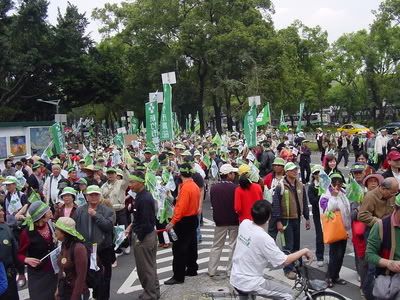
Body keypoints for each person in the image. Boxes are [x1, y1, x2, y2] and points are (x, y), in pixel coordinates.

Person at [230, 200, 313, 300]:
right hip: (250, 282)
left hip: (235, 277)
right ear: (269, 217)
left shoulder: (244, 224)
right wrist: (304, 251)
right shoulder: (264, 238)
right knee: (289, 294)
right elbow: (284, 261)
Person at [358, 177, 398, 299]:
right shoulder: (371, 196)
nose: (394, 195)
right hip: (373, 230)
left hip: (390, 229)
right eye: (392, 192)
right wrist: (380, 222)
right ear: (383, 189)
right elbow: (362, 215)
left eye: (396, 193)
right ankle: (368, 291)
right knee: (372, 265)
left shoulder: (391, 196)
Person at [73, 185, 114, 300]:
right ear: (86, 197)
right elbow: (74, 229)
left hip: (103, 249)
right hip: (86, 250)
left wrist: (96, 215)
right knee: (88, 278)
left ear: (100, 196)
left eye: (96, 194)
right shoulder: (79, 210)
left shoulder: (107, 210)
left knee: (104, 279)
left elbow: (108, 227)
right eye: (91, 195)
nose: (94, 197)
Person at [271, 162, 310, 280]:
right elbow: (276, 205)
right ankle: (287, 269)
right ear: (286, 172)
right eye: (292, 170)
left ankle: (295, 264)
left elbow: (304, 202)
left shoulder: (300, 185)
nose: (295, 171)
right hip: (286, 220)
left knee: (296, 244)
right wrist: (278, 221)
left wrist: (307, 218)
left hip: (297, 219)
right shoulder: (280, 186)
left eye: (296, 169)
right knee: (288, 245)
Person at [125, 171, 160, 300]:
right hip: (147, 234)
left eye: (132, 182)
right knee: (150, 266)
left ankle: (150, 294)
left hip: (145, 237)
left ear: (140, 182)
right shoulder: (141, 195)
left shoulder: (144, 198)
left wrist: (139, 237)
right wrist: (131, 226)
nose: (130, 185)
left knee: (145, 268)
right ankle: (154, 292)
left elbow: (145, 222)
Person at [164, 163, 201, 285]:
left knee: (179, 249)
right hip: (193, 218)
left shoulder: (185, 188)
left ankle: (178, 276)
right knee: (191, 245)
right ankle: (192, 269)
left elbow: (181, 208)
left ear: (180, 174)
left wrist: (172, 222)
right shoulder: (194, 185)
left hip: (184, 221)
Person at [17, 201, 57, 300]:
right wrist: (26, 260)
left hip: (52, 272)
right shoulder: (26, 233)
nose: (50, 211)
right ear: (41, 215)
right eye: (47, 210)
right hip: (37, 275)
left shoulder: (50, 224)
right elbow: (19, 254)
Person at [319, 173, 351, 288]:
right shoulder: (325, 195)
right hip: (334, 230)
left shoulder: (343, 193)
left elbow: (346, 209)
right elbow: (328, 211)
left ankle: (336, 275)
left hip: (343, 229)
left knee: (341, 254)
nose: (337, 185)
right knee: (335, 255)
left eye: (340, 183)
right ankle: (329, 277)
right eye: (335, 183)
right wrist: (333, 196)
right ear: (330, 183)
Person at [365, 195, 400, 299]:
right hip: (388, 278)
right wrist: (389, 263)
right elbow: (369, 254)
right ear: (396, 208)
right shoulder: (381, 226)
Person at [208, 164, 239, 277]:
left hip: (219, 220)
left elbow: (212, 203)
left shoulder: (214, 188)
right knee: (233, 245)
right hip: (234, 220)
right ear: (229, 174)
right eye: (233, 173)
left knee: (216, 245)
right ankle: (230, 271)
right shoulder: (236, 188)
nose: (234, 175)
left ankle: (212, 270)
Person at [54, 217, 89, 300]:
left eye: (56, 229)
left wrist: (74, 297)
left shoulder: (79, 248)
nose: (55, 232)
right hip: (65, 290)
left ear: (64, 232)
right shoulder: (64, 245)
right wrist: (58, 289)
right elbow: (62, 269)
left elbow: (81, 277)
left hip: (77, 292)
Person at [101, 165, 130, 258]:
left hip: (120, 209)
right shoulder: (103, 186)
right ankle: (118, 249)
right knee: (113, 230)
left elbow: (128, 180)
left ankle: (126, 245)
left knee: (122, 228)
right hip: (109, 210)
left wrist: (125, 169)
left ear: (115, 174)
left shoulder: (121, 183)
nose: (110, 175)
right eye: (108, 173)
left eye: (112, 173)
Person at [0, 204, 19, 300]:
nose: (2, 213)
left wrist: (21, 272)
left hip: (9, 275)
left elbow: (15, 251)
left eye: (2, 210)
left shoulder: (6, 228)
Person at [307, 165, 324, 267]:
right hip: (318, 214)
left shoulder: (327, 184)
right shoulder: (312, 186)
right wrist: (321, 195)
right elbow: (313, 201)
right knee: (320, 235)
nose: (318, 175)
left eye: (320, 172)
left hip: (328, 213)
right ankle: (320, 256)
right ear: (313, 175)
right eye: (316, 173)